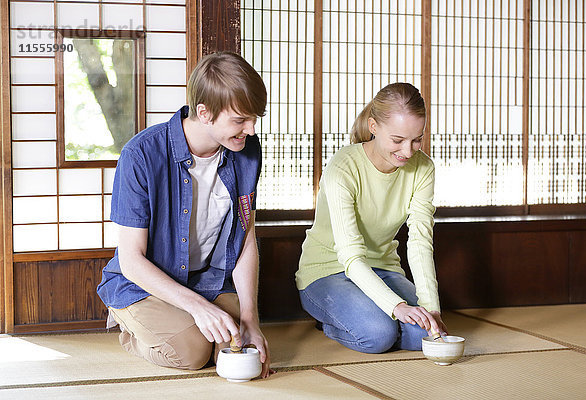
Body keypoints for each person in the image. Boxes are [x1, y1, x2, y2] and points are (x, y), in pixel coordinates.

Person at [97, 52, 272, 378]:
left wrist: (250, 317)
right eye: (240, 120)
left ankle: (193, 320)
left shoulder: (246, 150)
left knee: (234, 348)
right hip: (145, 286)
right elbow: (131, 260)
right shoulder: (141, 154)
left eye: (254, 119)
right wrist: (197, 307)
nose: (250, 129)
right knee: (192, 353)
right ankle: (128, 325)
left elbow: (245, 237)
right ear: (204, 113)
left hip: (207, 280)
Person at [296, 82, 447, 354]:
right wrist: (397, 307)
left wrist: (432, 308)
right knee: (378, 335)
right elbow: (351, 257)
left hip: (383, 268)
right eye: (398, 140)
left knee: (424, 337)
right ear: (374, 126)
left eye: (417, 139)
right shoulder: (343, 167)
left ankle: (372, 318)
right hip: (328, 271)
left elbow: (420, 243)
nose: (409, 151)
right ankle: (330, 323)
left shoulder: (423, 168)